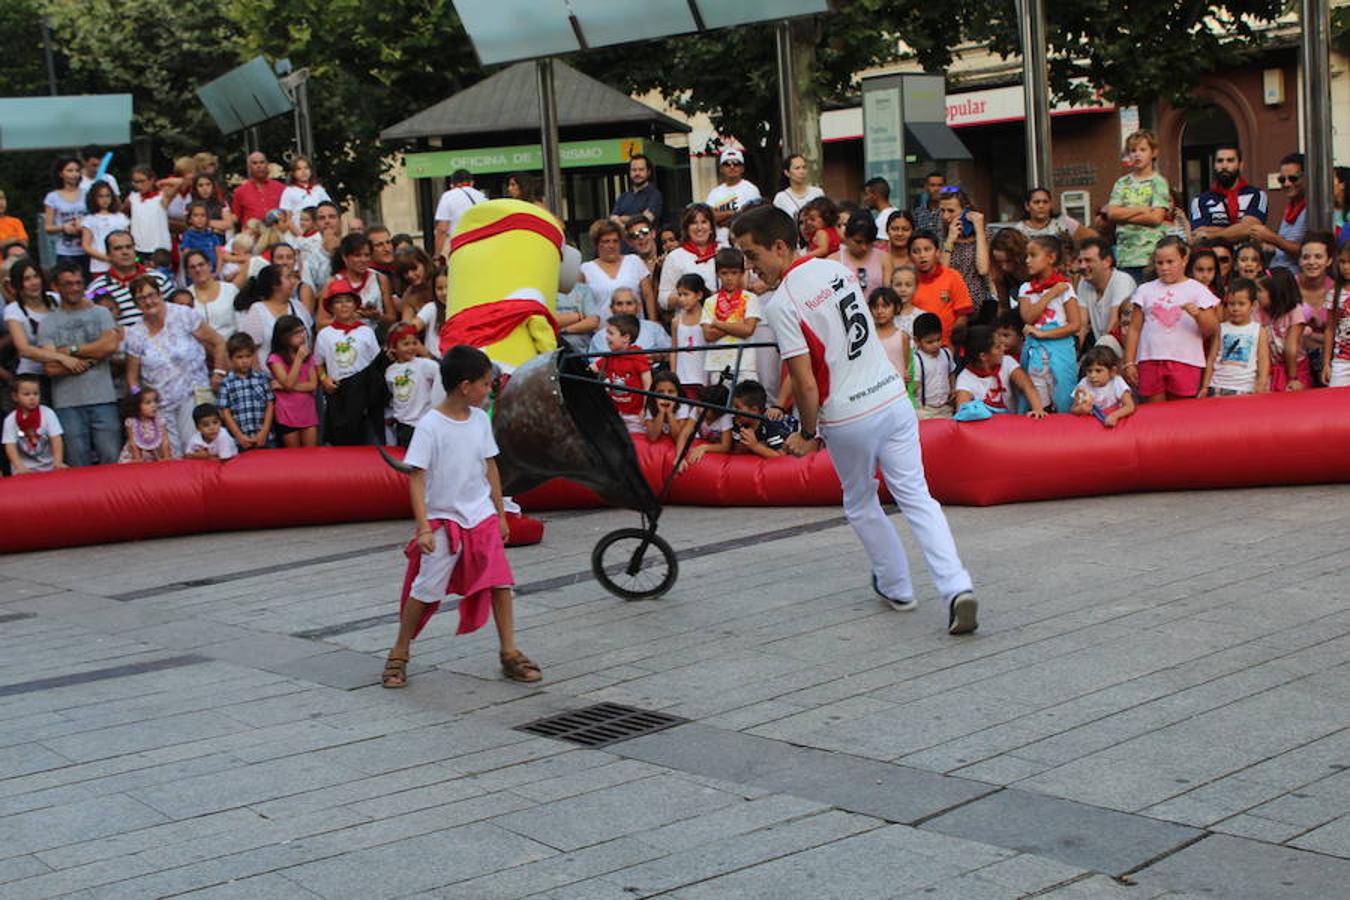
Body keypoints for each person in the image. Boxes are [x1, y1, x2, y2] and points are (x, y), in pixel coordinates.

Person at [731, 204, 978, 634]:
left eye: (752, 256)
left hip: (847, 416)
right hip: (891, 397)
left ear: (778, 246)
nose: (750, 267)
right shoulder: (834, 270)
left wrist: (808, 435)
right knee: (918, 497)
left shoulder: (782, 303)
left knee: (861, 501)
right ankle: (956, 587)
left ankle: (898, 587)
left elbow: (805, 384)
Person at [381, 345, 540, 688]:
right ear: (465, 386)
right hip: (444, 520)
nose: (489, 390)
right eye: (485, 384)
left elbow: (490, 466)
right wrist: (424, 527)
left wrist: (500, 513)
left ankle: (509, 652)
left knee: (501, 583)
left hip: (480, 516)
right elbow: (417, 476)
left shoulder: (481, 420)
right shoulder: (430, 426)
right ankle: (400, 651)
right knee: (425, 591)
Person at [123, 276, 228, 455]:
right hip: (159, 404)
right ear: (135, 303)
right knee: (169, 454)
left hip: (192, 395)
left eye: (152, 295)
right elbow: (132, 378)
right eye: (142, 298)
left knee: (196, 449)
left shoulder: (183, 315)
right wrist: (141, 403)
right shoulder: (134, 334)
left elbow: (218, 342)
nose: (149, 301)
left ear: (160, 294)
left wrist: (218, 373)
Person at [36, 264, 121, 466]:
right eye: (68, 284)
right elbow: (50, 367)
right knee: (77, 464)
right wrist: (94, 356)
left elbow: (110, 346)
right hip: (67, 404)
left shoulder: (101, 313)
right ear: (56, 287)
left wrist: (69, 351)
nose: (75, 288)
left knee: (112, 459)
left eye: (78, 283)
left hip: (104, 398)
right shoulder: (48, 322)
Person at [1123, 237, 1220, 402]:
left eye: (1170, 262)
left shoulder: (1198, 290)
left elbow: (1212, 329)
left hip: (1186, 360)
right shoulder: (1145, 290)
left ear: (1184, 259)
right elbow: (1134, 328)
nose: (1164, 268)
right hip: (1150, 359)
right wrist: (1129, 362)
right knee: (1155, 413)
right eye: (1159, 263)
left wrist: (1197, 314)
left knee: (1181, 413)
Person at [315, 291, 384, 445]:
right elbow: (318, 363)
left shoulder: (366, 331)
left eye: (348, 301)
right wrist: (324, 379)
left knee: (365, 436)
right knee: (340, 438)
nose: (344, 305)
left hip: (364, 391)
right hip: (339, 392)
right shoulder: (324, 335)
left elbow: (376, 362)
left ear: (355, 306)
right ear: (331, 308)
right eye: (338, 302)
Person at [1104, 129, 1171, 282]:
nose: (1137, 154)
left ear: (1153, 153)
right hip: (1124, 257)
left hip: (1149, 257)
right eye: (1133, 151)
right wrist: (1141, 209)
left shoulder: (1158, 182)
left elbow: (1156, 218)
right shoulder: (1122, 183)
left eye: (1142, 150)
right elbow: (1112, 214)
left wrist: (1124, 214)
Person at [954, 325, 1047, 418]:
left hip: (1013, 423)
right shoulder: (965, 379)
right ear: (983, 356)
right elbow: (962, 412)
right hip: (985, 429)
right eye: (998, 347)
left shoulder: (1007, 361)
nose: (1003, 348)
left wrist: (1037, 409)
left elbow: (1027, 385)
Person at [86, 231, 172, 329]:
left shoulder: (159, 278)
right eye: (118, 248)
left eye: (129, 247)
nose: (125, 252)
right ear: (108, 254)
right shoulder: (98, 288)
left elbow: (175, 312)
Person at [701, 248, 760, 383]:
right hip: (717, 365)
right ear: (717, 274)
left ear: (742, 273)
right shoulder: (710, 301)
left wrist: (718, 323)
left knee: (747, 402)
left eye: (734, 273)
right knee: (719, 403)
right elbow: (708, 335)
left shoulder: (750, 298)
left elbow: (747, 330)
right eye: (724, 273)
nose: (729, 278)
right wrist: (737, 325)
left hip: (745, 364)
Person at [1202, 278, 1270, 396]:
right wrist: (1205, 386)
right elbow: (1212, 358)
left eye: (1241, 304)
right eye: (1231, 304)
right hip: (1217, 385)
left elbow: (1263, 360)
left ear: (1253, 305)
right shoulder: (1221, 328)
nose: (1235, 308)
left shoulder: (1259, 330)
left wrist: (1261, 383)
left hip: (1245, 387)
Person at [1189, 145, 1268, 243]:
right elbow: (1198, 234)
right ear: (1214, 165)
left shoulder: (1257, 195)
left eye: (1230, 160)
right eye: (1220, 161)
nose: (1224, 166)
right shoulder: (1200, 200)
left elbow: (1251, 228)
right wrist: (1239, 230)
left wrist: (1211, 234)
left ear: (1240, 165)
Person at [5, 260, 61, 395]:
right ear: (18, 284)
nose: (34, 283)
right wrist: (62, 357)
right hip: (33, 379)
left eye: (36, 276)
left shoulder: (56, 299)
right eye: (27, 279)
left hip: (62, 372)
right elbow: (24, 349)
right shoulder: (13, 310)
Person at [910, 230, 974, 347]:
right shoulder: (908, 281)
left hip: (948, 346)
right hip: (917, 348)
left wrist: (953, 344)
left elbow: (962, 315)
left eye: (927, 249)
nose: (922, 255)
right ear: (910, 256)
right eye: (916, 251)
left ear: (938, 253)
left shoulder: (952, 276)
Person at [581, 219, 653, 319]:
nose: (611, 245)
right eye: (606, 241)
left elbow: (648, 295)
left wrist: (653, 322)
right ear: (596, 244)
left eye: (615, 241)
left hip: (636, 329)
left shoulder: (634, 261)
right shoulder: (586, 269)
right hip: (603, 331)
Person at [937, 189, 991, 321]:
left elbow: (983, 269)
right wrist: (950, 240)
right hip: (951, 307)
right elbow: (941, 274)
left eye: (951, 211)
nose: (945, 216)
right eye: (942, 211)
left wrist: (979, 229)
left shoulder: (985, 235)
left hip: (979, 308)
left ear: (967, 211)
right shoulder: (941, 238)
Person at [267, 315, 320, 447]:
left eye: (303, 331)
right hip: (287, 413)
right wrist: (298, 359)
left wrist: (284, 386)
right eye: (296, 333)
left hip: (307, 412)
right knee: (294, 457)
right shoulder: (275, 358)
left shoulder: (308, 356)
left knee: (311, 455)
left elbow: (313, 385)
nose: (302, 336)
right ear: (284, 336)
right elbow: (289, 383)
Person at [384, 322, 440, 447]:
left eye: (414, 343)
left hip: (422, 423)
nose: (411, 348)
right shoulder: (390, 371)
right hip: (402, 424)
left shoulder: (425, 365)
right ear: (393, 347)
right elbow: (395, 396)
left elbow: (441, 374)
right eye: (406, 344)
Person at [594, 313, 652, 432]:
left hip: (635, 415)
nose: (606, 337)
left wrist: (645, 409)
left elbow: (648, 384)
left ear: (626, 337)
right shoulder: (609, 357)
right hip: (614, 413)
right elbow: (590, 368)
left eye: (611, 333)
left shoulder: (637, 356)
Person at [217, 333, 275, 451]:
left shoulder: (261, 378)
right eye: (239, 357)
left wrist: (264, 432)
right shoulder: (226, 383)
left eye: (248, 356)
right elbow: (225, 412)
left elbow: (270, 405)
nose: (244, 361)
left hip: (264, 438)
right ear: (231, 358)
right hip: (240, 441)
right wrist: (239, 436)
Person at [323, 233, 396, 327]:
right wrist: (350, 317)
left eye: (367, 255)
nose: (363, 260)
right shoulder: (333, 282)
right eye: (357, 255)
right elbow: (321, 323)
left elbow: (392, 318)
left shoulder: (380, 279)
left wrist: (377, 316)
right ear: (345, 257)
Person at [1075, 237, 1136, 348]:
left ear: (1107, 262)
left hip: (1124, 347)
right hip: (1104, 346)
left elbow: (1114, 325)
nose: (1082, 266)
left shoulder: (1122, 280)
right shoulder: (1083, 283)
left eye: (1088, 260)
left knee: (1107, 341)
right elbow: (1082, 325)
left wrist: (1098, 354)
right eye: (1080, 261)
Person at [1251, 153, 1306, 273]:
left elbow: (1307, 252)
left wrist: (1272, 238)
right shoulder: (1291, 207)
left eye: (1293, 178)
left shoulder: (1312, 209)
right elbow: (1286, 246)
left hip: (1293, 278)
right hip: (1276, 274)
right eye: (1282, 179)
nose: (1286, 184)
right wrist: (1266, 244)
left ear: (1306, 177)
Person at [657, 204, 718, 312]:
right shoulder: (675, 257)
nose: (699, 228)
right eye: (694, 223)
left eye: (704, 222)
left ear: (711, 228)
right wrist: (688, 297)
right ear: (686, 228)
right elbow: (663, 299)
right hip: (689, 323)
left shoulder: (723, 251)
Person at [1257, 268, 1308, 392]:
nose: (1255, 293)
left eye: (1259, 290)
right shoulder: (1257, 311)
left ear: (1276, 293)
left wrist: (1293, 378)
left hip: (1295, 367)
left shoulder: (1295, 311)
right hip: (1269, 367)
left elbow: (1291, 348)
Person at [3, 374, 64, 474]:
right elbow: (10, 445)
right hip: (23, 469)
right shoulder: (10, 420)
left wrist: (58, 461)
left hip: (50, 467)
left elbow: (56, 438)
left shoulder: (48, 413)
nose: (32, 398)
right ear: (15, 396)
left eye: (36, 394)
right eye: (26, 394)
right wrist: (19, 467)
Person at [1296, 232, 1335, 382]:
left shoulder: (1337, 291)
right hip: (1294, 364)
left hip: (1330, 364)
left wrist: (1309, 335)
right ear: (1299, 260)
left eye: (1318, 257)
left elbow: (1341, 339)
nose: (1311, 262)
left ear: (1329, 260)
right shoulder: (1289, 287)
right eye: (1306, 257)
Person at [585, 288, 669, 356]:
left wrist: (657, 357)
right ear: (611, 309)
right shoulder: (600, 337)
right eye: (619, 304)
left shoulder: (654, 329)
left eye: (629, 303)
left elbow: (670, 353)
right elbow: (598, 366)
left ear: (638, 307)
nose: (624, 309)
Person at [705, 148, 760, 246]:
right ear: (721, 168)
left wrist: (721, 216)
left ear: (742, 168)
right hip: (719, 243)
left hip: (744, 242)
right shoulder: (715, 192)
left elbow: (752, 217)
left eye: (736, 163)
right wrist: (733, 213)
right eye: (727, 164)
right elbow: (708, 216)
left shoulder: (751, 189)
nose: (732, 167)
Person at [673, 382, 733, 470]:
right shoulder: (697, 410)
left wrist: (705, 447)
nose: (700, 409)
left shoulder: (724, 418)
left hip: (715, 452)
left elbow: (726, 446)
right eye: (699, 404)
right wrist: (679, 456)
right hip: (702, 441)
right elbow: (685, 433)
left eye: (705, 408)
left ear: (717, 411)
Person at [1070, 346, 1136, 427]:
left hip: (1111, 421)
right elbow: (1073, 409)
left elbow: (1130, 406)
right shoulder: (1084, 383)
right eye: (1089, 371)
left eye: (1098, 371)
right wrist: (1081, 409)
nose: (1092, 375)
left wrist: (1114, 416)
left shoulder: (1117, 381)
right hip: (1091, 425)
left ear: (1112, 371)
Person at [183, 249, 240, 340]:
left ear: (209, 266)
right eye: (192, 267)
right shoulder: (185, 296)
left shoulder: (230, 290)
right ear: (188, 272)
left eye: (201, 265)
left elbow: (240, 323)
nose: (198, 269)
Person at [907, 312, 956, 418]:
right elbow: (915, 385)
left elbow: (951, 373)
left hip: (945, 407)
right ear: (917, 341)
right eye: (929, 342)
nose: (936, 345)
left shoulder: (947, 353)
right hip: (924, 409)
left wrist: (953, 389)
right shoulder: (916, 359)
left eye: (938, 339)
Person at [45, 157, 88, 274]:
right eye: (69, 170)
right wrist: (63, 227)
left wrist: (83, 225)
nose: (74, 174)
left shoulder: (87, 193)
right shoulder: (52, 197)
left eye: (76, 170)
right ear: (60, 174)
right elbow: (47, 227)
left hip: (87, 249)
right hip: (65, 251)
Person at [730, 380, 794, 458]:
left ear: (754, 410)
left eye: (737, 407)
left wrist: (755, 446)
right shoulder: (737, 422)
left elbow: (781, 456)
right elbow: (737, 453)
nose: (733, 411)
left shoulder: (770, 424)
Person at [432, 169, 487, 261]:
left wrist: (437, 256)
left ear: (452, 185)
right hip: (482, 248)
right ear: (472, 183)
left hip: (460, 248)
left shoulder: (448, 196)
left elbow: (442, 229)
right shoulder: (482, 197)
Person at [126, 165, 176, 261]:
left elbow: (180, 182)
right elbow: (122, 212)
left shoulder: (161, 197)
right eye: (136, 182)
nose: (139, 185)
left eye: (142, 181)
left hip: (160, 248)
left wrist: (160, 182)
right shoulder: (133, 197)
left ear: (151, 180)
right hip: (139, 248)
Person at [670, 273, 709, 396]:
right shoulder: (676, 321)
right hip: (682, 378)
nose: (682, 299)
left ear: (699, 295)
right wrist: (673, 376)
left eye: (686, 294)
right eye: (680, 295)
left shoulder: (707, 319)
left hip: (702, 377)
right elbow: (674, 350)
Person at [80, 181, 130, 277]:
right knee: (101, 291)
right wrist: (107, 258)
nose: (105, 200)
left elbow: (128, 240)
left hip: (121, 266)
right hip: (99, 266)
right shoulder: (89, 219)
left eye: (108, 196)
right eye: (100, 196)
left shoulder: (120, 217)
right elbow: (86, 245)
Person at [231, 152, 286, 228]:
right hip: (252, 235)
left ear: (267, 165)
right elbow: (236, 217)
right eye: (255, 163)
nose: (259, 166)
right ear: (249, 167)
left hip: (276, 234)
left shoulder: (281, 188)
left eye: (262, 162)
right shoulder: (240, 192)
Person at [610, 154, 663, 233]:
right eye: (634, 170)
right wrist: (628, 225)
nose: (637, 173)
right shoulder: (624, 196)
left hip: (645, 243)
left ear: (648, 172)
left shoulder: (654, 195)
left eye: (641, 170)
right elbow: (613, 219)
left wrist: (623, 219)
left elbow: (646, 220)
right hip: (624, 245)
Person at [1322, 241, 1350, 387]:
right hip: (1341, 361)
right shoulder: (1334, 293)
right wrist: (1327, 363)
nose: (1346, 267)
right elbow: (1330, 329)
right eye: (1343, 262)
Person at [117, 388, 171, 462]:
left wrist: (166, 456)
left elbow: (165, 441)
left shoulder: (160, 421)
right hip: (135, 456)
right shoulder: (131, 422)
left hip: (154, 456)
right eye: (148, 403)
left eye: (155, 401)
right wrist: (137, 458)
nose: (153, 405)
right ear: (136, 406)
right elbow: (132, 442)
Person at [837, 215, 886, 296]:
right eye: (858, 242)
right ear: (847, 237)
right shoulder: (834, 260)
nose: (864, 248)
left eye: (869, 243)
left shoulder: (884, 259)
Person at [278, 156, 331, 229]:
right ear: (293, 173)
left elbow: (329, 208)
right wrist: (298, 235)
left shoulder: (318, 189)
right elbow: (287, 218)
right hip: (298, 232)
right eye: (299, 169)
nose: (303, 171)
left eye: (306, 168)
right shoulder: (289, 191)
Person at [1012, 187, 1081, 242]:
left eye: (1045, 202)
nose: (1041, 206)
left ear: (1051, 205)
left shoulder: (1063, 223)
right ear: (1027, 206)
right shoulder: (1018, 230)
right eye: (1036, 202)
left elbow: (1089, 239)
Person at [554, 280, 602, 353]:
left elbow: (593, 322)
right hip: (552, 350)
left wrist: (564, 330)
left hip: (580, 352)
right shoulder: (545, 288)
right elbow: (547, 320)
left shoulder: (583, 289)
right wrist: (577, 317)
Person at [644, 370, 691, 444]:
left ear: (678, 392)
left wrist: (670, 413)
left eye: (671, 391)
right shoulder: (651, 405)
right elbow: (652, 437)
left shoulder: (683, 406)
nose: (666, 396)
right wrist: (661, 413)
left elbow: (678, 438)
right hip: (658, 445)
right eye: (660, 392)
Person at [772, 154, 824, 221]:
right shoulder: (781, 198)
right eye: (797, 168)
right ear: (787, 172)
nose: (801, 171)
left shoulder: (817, 193)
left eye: (804, 167)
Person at [179, 202, 226, 274]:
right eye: (195, 215)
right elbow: (187, 258)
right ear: (190, 219)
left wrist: (217, 273)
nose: (199, 218)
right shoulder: (188, 236)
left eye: (203, 215)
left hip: (213, 274)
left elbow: (219, 256)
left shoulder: (212, 235)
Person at [869, 287, 906, 376]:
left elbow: (907, 367)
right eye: (875, 307)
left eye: (885, 306)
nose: (879, 311)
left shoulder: (902, 337)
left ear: (896, 308)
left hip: (897, 387)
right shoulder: (868, 336)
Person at [881, 210, 916, 284]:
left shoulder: (918, 256)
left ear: (913, 232)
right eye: (895, 229)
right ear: (887, 231)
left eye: (905, 229)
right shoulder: (878, 255)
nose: (900, 233)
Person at [912, 171, 946, 235]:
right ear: (926, 187)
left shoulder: (948, 212)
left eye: (940, 185)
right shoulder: (918, 212)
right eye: (932, 185)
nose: (936, 189)